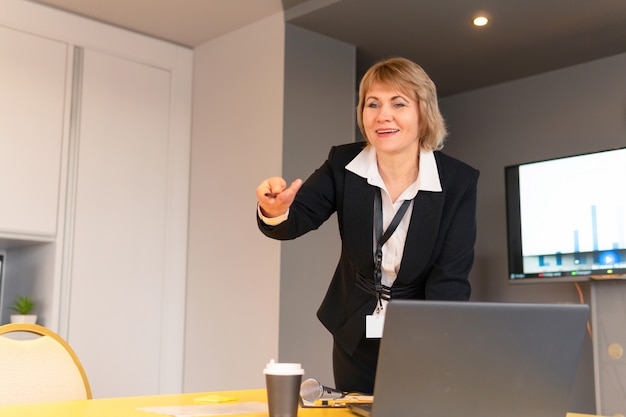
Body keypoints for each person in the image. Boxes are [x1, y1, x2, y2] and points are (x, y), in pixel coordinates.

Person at [255, 57, 479, 394]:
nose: (382, 115)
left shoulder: (458, 182)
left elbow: (451, 276)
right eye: (372, 104)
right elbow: (294, 221)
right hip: (354, 325)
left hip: (422, 330)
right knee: (356, 409)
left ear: (423, 112)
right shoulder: (342, 164)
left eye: (398, 103)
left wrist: (438, 346)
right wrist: (274, 209)